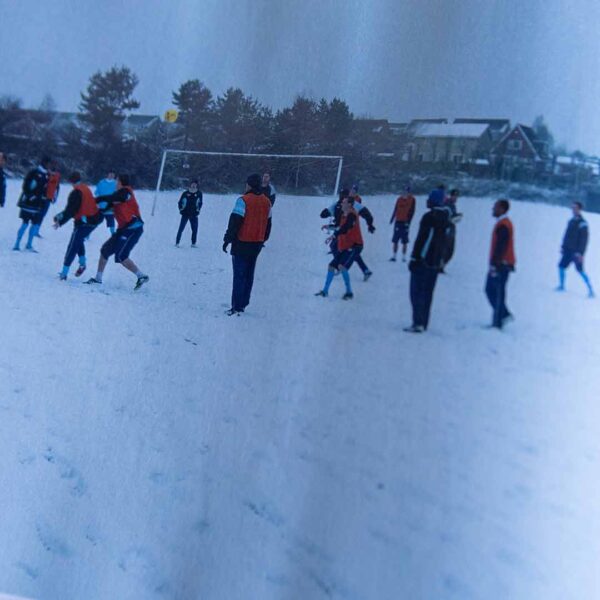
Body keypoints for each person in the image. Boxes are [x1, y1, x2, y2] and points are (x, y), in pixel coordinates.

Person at [85, 174, 149, 290]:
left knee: (121, 256)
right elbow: (105, 209)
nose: (115, 183)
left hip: (134, 228)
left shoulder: (127, 192)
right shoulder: (115, 196)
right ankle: (98, 279)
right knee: (105, 250)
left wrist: (98, 199)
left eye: (117, 181)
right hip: (123, 229)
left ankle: (141, 276)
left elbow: (120, 197)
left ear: (121, 182)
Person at [222, 173, 272, 316]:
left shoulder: (243, 200)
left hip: (242, 242)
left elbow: (235, 222)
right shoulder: (267, 202)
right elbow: (269, 224)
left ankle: (236, 305)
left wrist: (227, 239)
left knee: (239, 275)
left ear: (248, 185)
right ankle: (243, 303)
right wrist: (263, 239)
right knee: (249, 274)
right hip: (257, 243)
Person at [404, 189, 452, 333]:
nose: (427, 201)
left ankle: (417, 322)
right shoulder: (446, 219)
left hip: (423, 261)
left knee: (416, 292)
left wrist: (415, 257)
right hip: (436, 262)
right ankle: (424, 322)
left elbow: (423, 239)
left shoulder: (429, 217)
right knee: (428, 294)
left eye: (429, 199)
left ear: (434, 201)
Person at [53, 172, 103, 280]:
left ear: (70, 181)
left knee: (72, 245)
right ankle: (82, 263)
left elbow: (70, 211)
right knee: (78, 240)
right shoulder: (85, 187)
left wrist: (59, 220)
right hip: (95, 219)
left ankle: (64, 273)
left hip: (84, 222)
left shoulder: (76, 193)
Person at [315, 193, 360, 300]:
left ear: (349, 204)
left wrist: (333, 235)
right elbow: (339, 227)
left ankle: (349, 292)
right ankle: (325, 291)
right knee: (331, 266)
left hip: (354, 245)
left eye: (344, 202)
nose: (341, 203)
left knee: (341, 266)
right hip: (345, 245)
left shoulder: (352, 215)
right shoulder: (344, 215)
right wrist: (329, 227)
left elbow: (345, 228)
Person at [485, 199, 516, 329]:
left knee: (495, 291)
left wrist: (495, 264)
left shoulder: (503, 225)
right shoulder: (504, 223)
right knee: (495, 291)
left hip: (501, 264)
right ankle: (503, 315)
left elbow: (501, 247)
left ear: (502, 209)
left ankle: (498, 321)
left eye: (495, 207)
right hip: (503, 263)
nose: (493, 209)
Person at [13, 156, 51, 251]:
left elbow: (44, 189)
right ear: (44, 163)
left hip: (38, 204)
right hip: (28, 203)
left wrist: (44, 199)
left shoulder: (46, 175)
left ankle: (29, 244)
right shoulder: (34, 172)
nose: (49, 166)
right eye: (48, 163)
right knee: (25, 223)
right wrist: (30, 196)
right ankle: (17, 243)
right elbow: (25, 185)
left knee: (34, 224)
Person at [556, 201, 594, 297]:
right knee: (561, 266)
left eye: (575, 208)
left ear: (579, 209)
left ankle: (591, 290)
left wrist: (580, 253)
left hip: (576, 252)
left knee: (580, 271)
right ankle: (561, 286)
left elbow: (584, 240)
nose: (573, 210)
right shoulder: (571, 221)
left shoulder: (583, 223)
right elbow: (566, 235)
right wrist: (563, 247)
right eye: (572, 208)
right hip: (568, 250)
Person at [389, 186, 416, 262]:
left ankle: (403, 257)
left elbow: (412, 211)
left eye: (407, 191)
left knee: (404, 240)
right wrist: (392, 218)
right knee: (395, 240)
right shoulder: (399, 199)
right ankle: (394, 256)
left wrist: (409, 222)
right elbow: (396, 208)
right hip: (398, 221)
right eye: (405, 191)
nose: (405, 193)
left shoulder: (412, 200)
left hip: (405, 222)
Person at [175, 180, 203, 247]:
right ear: (190, 185)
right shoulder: (185, 193)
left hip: (194, 214)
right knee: (181, 229)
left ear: (196, 185)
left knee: (195, 229)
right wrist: (181, 209)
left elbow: (200, 203)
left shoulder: (199, 193)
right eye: (192, 184)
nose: (193, 185)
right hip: (185, 214)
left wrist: (198, 210)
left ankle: (193, 243)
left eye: (195, 184)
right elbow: (180, 202)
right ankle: (177, 242)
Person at [441, 188, 463, 270]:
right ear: (451, 196)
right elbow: (447, 217)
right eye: (455, 196)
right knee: (447, 249)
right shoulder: (448, 204)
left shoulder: (452, 205)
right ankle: (440, 265)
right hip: (447, 229)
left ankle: (442, 265)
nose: (456, 198)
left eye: (457, 196)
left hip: (451, 229)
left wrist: (457, 215)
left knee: (450, 249)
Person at [38, 163, 61, 236]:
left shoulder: (50, 175)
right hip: (45, 197)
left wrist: (55, 197)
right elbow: (57, 188)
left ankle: (36, 229)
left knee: (41, 214)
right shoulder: (48, 175)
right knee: (40, 214)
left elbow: (57, 188)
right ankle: (35, 229)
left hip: (47, 197)